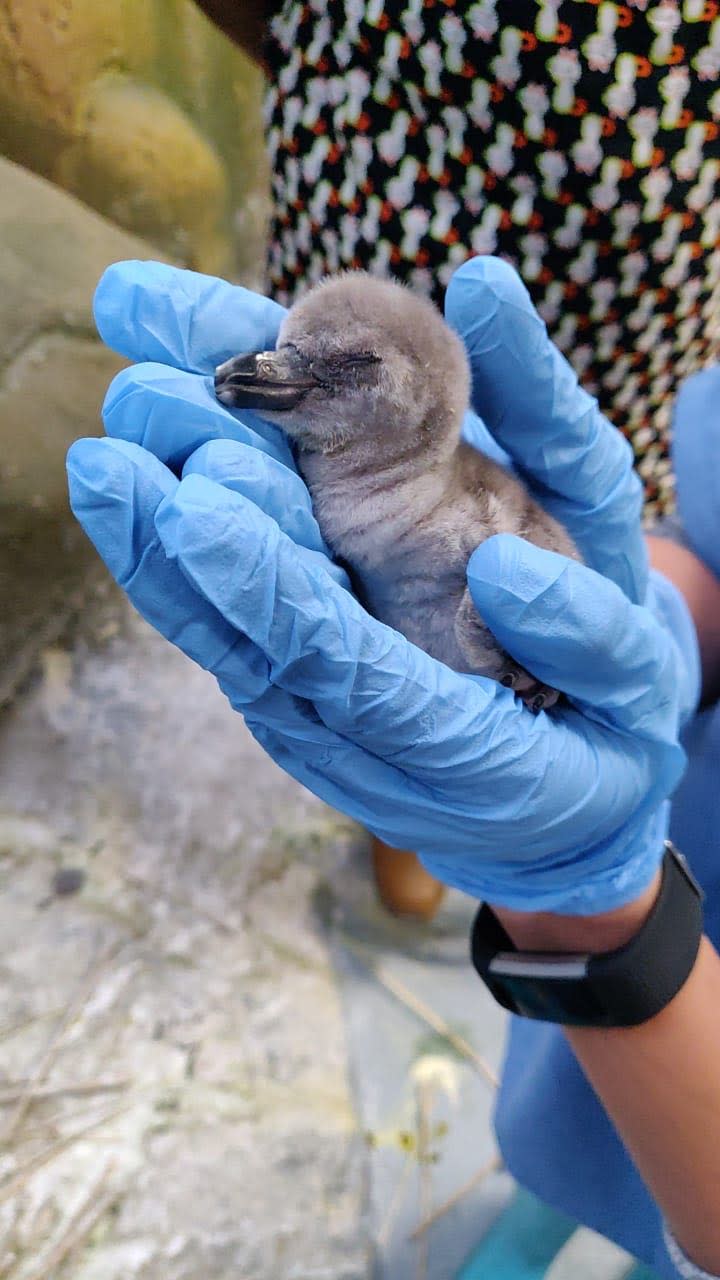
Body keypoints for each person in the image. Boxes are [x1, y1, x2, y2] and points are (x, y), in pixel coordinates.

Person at [67, 252, 720, 1278]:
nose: (280, 377)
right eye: (297, 362)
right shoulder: (400, 481)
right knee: (564, 1133)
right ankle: (541, 1205)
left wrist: (602, 916)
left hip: (680, 1006)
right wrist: (669, 630)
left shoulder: (466, 531)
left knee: (664, 1217)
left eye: (341, 371)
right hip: (635, 918)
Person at [194, 0, 720, 919]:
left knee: (548, 533)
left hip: (632, 228)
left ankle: (448, 846)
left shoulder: (482, 548)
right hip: (384, 141)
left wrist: (599, 923)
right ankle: (407, 835)